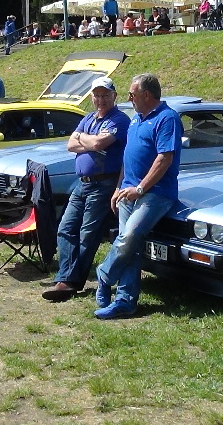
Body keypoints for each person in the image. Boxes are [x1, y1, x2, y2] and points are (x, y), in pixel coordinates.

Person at [93, 73, 183, 320]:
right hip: (127, 192)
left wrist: (140, 189)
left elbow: (164, 158)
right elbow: (128, 157)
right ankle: (125, 301)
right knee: (129, 246)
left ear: (146, 95)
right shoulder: (136, 119)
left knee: (129, 237)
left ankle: (104, 275)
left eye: (132, 94)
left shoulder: (167, 118)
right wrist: (118, 187)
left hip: (155, 193)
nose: (129, 98)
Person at [41, 77, 131, 302]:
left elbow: (99, 144)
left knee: (88, 234)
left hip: (103, 184)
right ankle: (68, 277)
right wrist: (88, 141)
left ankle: (69, 282)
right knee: (65, 228)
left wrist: (83, 138)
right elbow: (70, 145)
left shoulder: (119, 120)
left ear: (114, 96)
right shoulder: (88, 118)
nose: (101, 100)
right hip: (82, 183)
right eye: (97, 95)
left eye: (105, 95)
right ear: (91, 97)